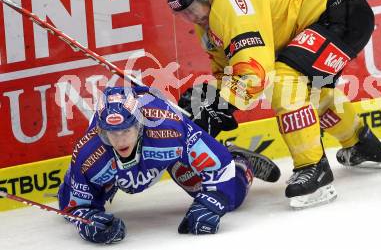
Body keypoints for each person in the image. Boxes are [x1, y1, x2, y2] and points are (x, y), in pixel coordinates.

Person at [167, 0, 381, 209]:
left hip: (341, 11)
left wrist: (222, 105)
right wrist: (212, 99)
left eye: (192, 8)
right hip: (323, 16)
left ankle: (314, 171)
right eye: (182, 14)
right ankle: (361, 143)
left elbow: (255, 74)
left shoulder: (232, 5)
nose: (190, 17)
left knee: (284, 83)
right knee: (312, 94)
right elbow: (230, 72)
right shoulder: (208, 23)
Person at [57, 86, 281, 244]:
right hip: (116, 174)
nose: (120, 140)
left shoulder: (169, 128)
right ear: (100, 131)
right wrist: (87, 222)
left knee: (225, 196)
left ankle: (241, 161)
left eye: (126, 130)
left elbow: (221, 168)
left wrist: (212, 203)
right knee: (71, 196)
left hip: (165, 159)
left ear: (140, 125)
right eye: (110, 134)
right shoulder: (88, 154)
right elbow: (74, 206)